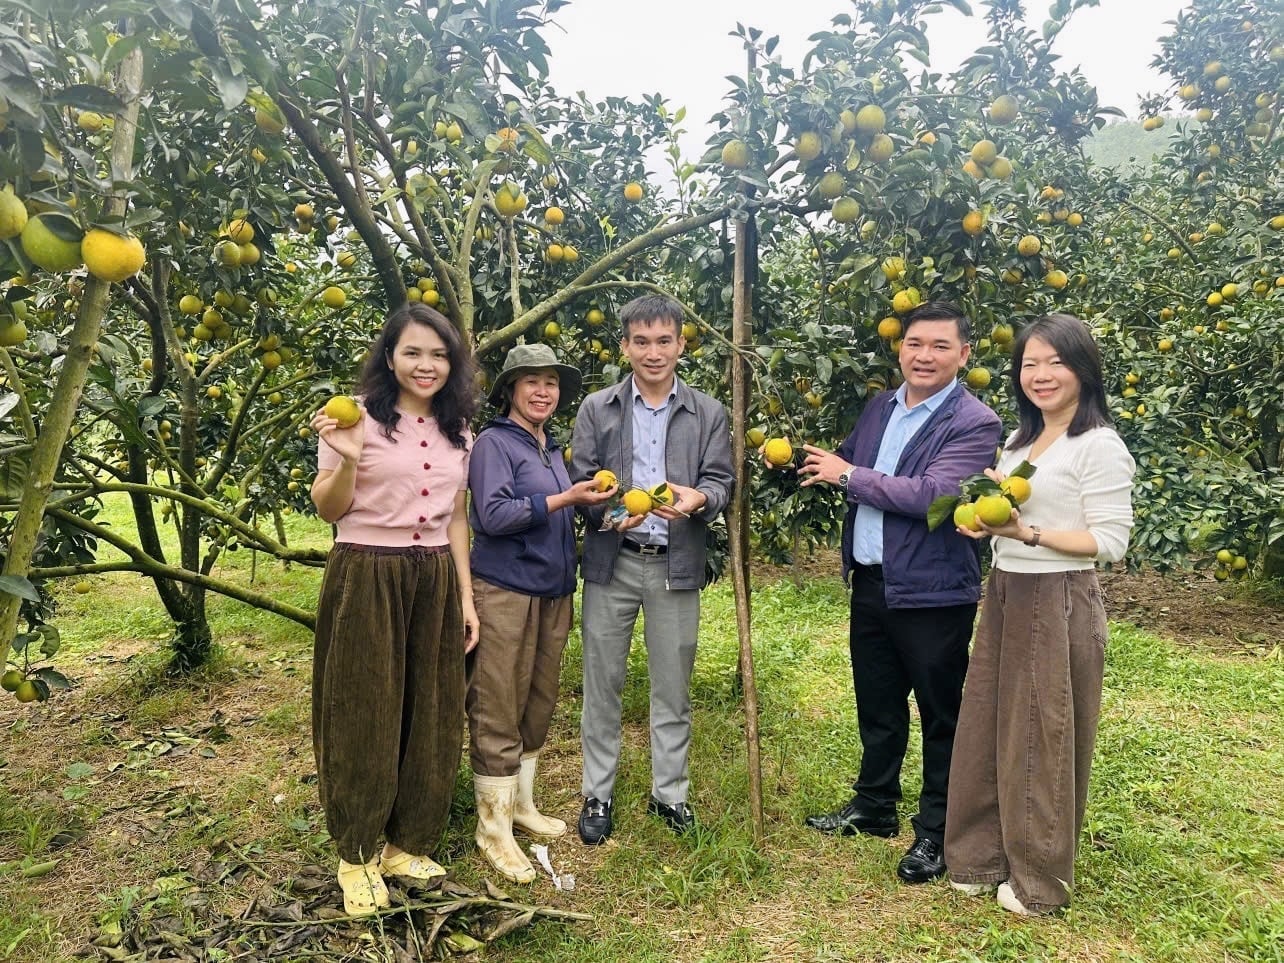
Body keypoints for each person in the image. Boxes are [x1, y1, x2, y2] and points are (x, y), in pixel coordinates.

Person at [794, 301, 1002, 884]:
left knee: (941, 715)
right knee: (878, 704)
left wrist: (848, 475)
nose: (924, 355)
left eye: (940, 346)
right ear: (899, 347)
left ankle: (936, 831)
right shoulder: (880, 407)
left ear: (964, 354)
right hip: (873, 581)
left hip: (934, 591)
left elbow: (935, 496)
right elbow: (849, 464)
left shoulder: (974, 421)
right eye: (915, 343)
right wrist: (804, 462)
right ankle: (874, 805)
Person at [945, 314, 1135, 916]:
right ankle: (979, 857)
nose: (1041, 374)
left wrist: (1026, 532)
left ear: (1083, 370)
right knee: (988, 721)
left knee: (1040, 734)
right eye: (1030, 362)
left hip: (1058, 597)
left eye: (1055, 362)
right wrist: (983, 516)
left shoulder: (1098, 445)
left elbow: (1108, 541)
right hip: (1006, 590)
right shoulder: (1023, 444)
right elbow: (1008, 517)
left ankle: (1038, 881)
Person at [309, 302, 479, 916]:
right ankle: (355, 853)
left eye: (438, 354)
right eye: (412, 352)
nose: (426, 365)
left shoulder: (460, 430)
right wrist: (350, 457)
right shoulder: (351, 420)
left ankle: (406, 844)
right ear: (390, 358)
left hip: (433, 573)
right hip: (367, 569)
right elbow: (328, 510)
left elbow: (457, 518)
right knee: (363, 706)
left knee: (432, 709)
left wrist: (465, 595)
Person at [570, 293, 734, 845]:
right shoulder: (598, 408)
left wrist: (697, 501)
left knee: (673, 685)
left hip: (674, 565)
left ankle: (671, 793)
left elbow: (720, 483)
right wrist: (605, 508)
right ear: (624, 347)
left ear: (681, 345)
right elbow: (583, 480)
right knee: (603, 681)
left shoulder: (708, 412)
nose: (653, 352)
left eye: (664, 340)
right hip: (612, 563)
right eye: (641, 341)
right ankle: (598, 791)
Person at [466, 343, 615, 883]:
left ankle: (521, 806)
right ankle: (492, 827)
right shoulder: (493, 444)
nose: (542, 391)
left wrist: (596, 513)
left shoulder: (552, 449)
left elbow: (560, 512)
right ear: (510, 389)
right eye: (531, 381)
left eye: (550, 382)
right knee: (498, 699)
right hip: (506, 589)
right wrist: (563, 500)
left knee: (538, 698)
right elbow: (493, 515)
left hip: (553, 591)